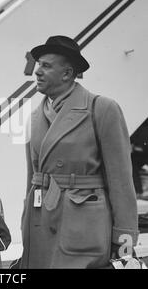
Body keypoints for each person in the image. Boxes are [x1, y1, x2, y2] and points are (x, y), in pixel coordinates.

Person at [20, 35, 139, 268]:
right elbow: (30, 178)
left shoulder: (102, 108)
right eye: (38, 65)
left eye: (46, 65)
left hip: (83, 225)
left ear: (66, 73)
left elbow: (122, 181)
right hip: (40, 222)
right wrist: (25, 221)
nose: (37, 72)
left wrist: (124, 240)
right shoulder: (34, 117)